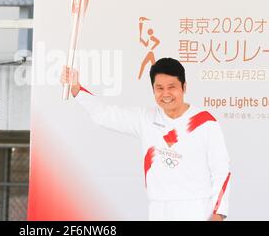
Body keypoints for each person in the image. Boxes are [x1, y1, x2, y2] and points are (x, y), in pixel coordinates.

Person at [61, 58, 231, 221]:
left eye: (172, 87)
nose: (166, 94)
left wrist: (217, 215)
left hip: (196, 209)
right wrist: (76, 88)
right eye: (159, 88)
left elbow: (221, 170)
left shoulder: (205, 122)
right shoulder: (146, 119)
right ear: (153, 90)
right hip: (159, 209)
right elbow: (105, 114)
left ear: (184, 87)